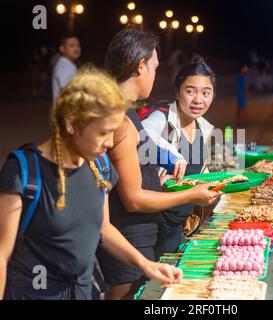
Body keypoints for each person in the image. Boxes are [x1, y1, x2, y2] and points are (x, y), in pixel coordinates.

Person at [0, 66, 182, 300]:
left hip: (84, 293)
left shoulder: (100, 166)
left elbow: (103, 229)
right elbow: (2, 254)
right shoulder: (24, 171)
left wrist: (145, 264)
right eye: (103, 133)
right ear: (72, 123)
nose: (109, 143)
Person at [96, 28, 221, 300]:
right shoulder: (118, 119)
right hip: (128, 238)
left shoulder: (125, 111)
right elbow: (133, 199)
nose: (155, 74)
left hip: (135, 236)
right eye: (154, 67)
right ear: (140, 66)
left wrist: (170, 159)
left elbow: (142, 152)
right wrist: (191, 194)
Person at [140, 57, 216, 258]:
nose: (198, 100)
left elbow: (199, 174)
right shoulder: (161, 117)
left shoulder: (203, 128)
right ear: (177, 92)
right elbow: (143, 135)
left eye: (206, 93)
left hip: (179, 225)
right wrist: (173, 157)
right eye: (190, 91)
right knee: (145, 283)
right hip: (153, 222)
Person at [52, 35, 81, 102]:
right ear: (62, 49)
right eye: (71, 45)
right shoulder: (66, 66)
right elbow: (66, 91)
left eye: (78, 45)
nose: (76, 48)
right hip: (66, 110)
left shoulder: (66, 64)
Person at [236, 63, 249, 128]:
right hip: (242, 95)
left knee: (239, 108)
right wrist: (247, 94)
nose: (246, 69)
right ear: (242, 69)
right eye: (245, 68)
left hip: (239, 94)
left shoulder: (238, 76)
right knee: (243, 109)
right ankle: (243, 122)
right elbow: (245, 87)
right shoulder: (243, 77)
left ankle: (238, 121)